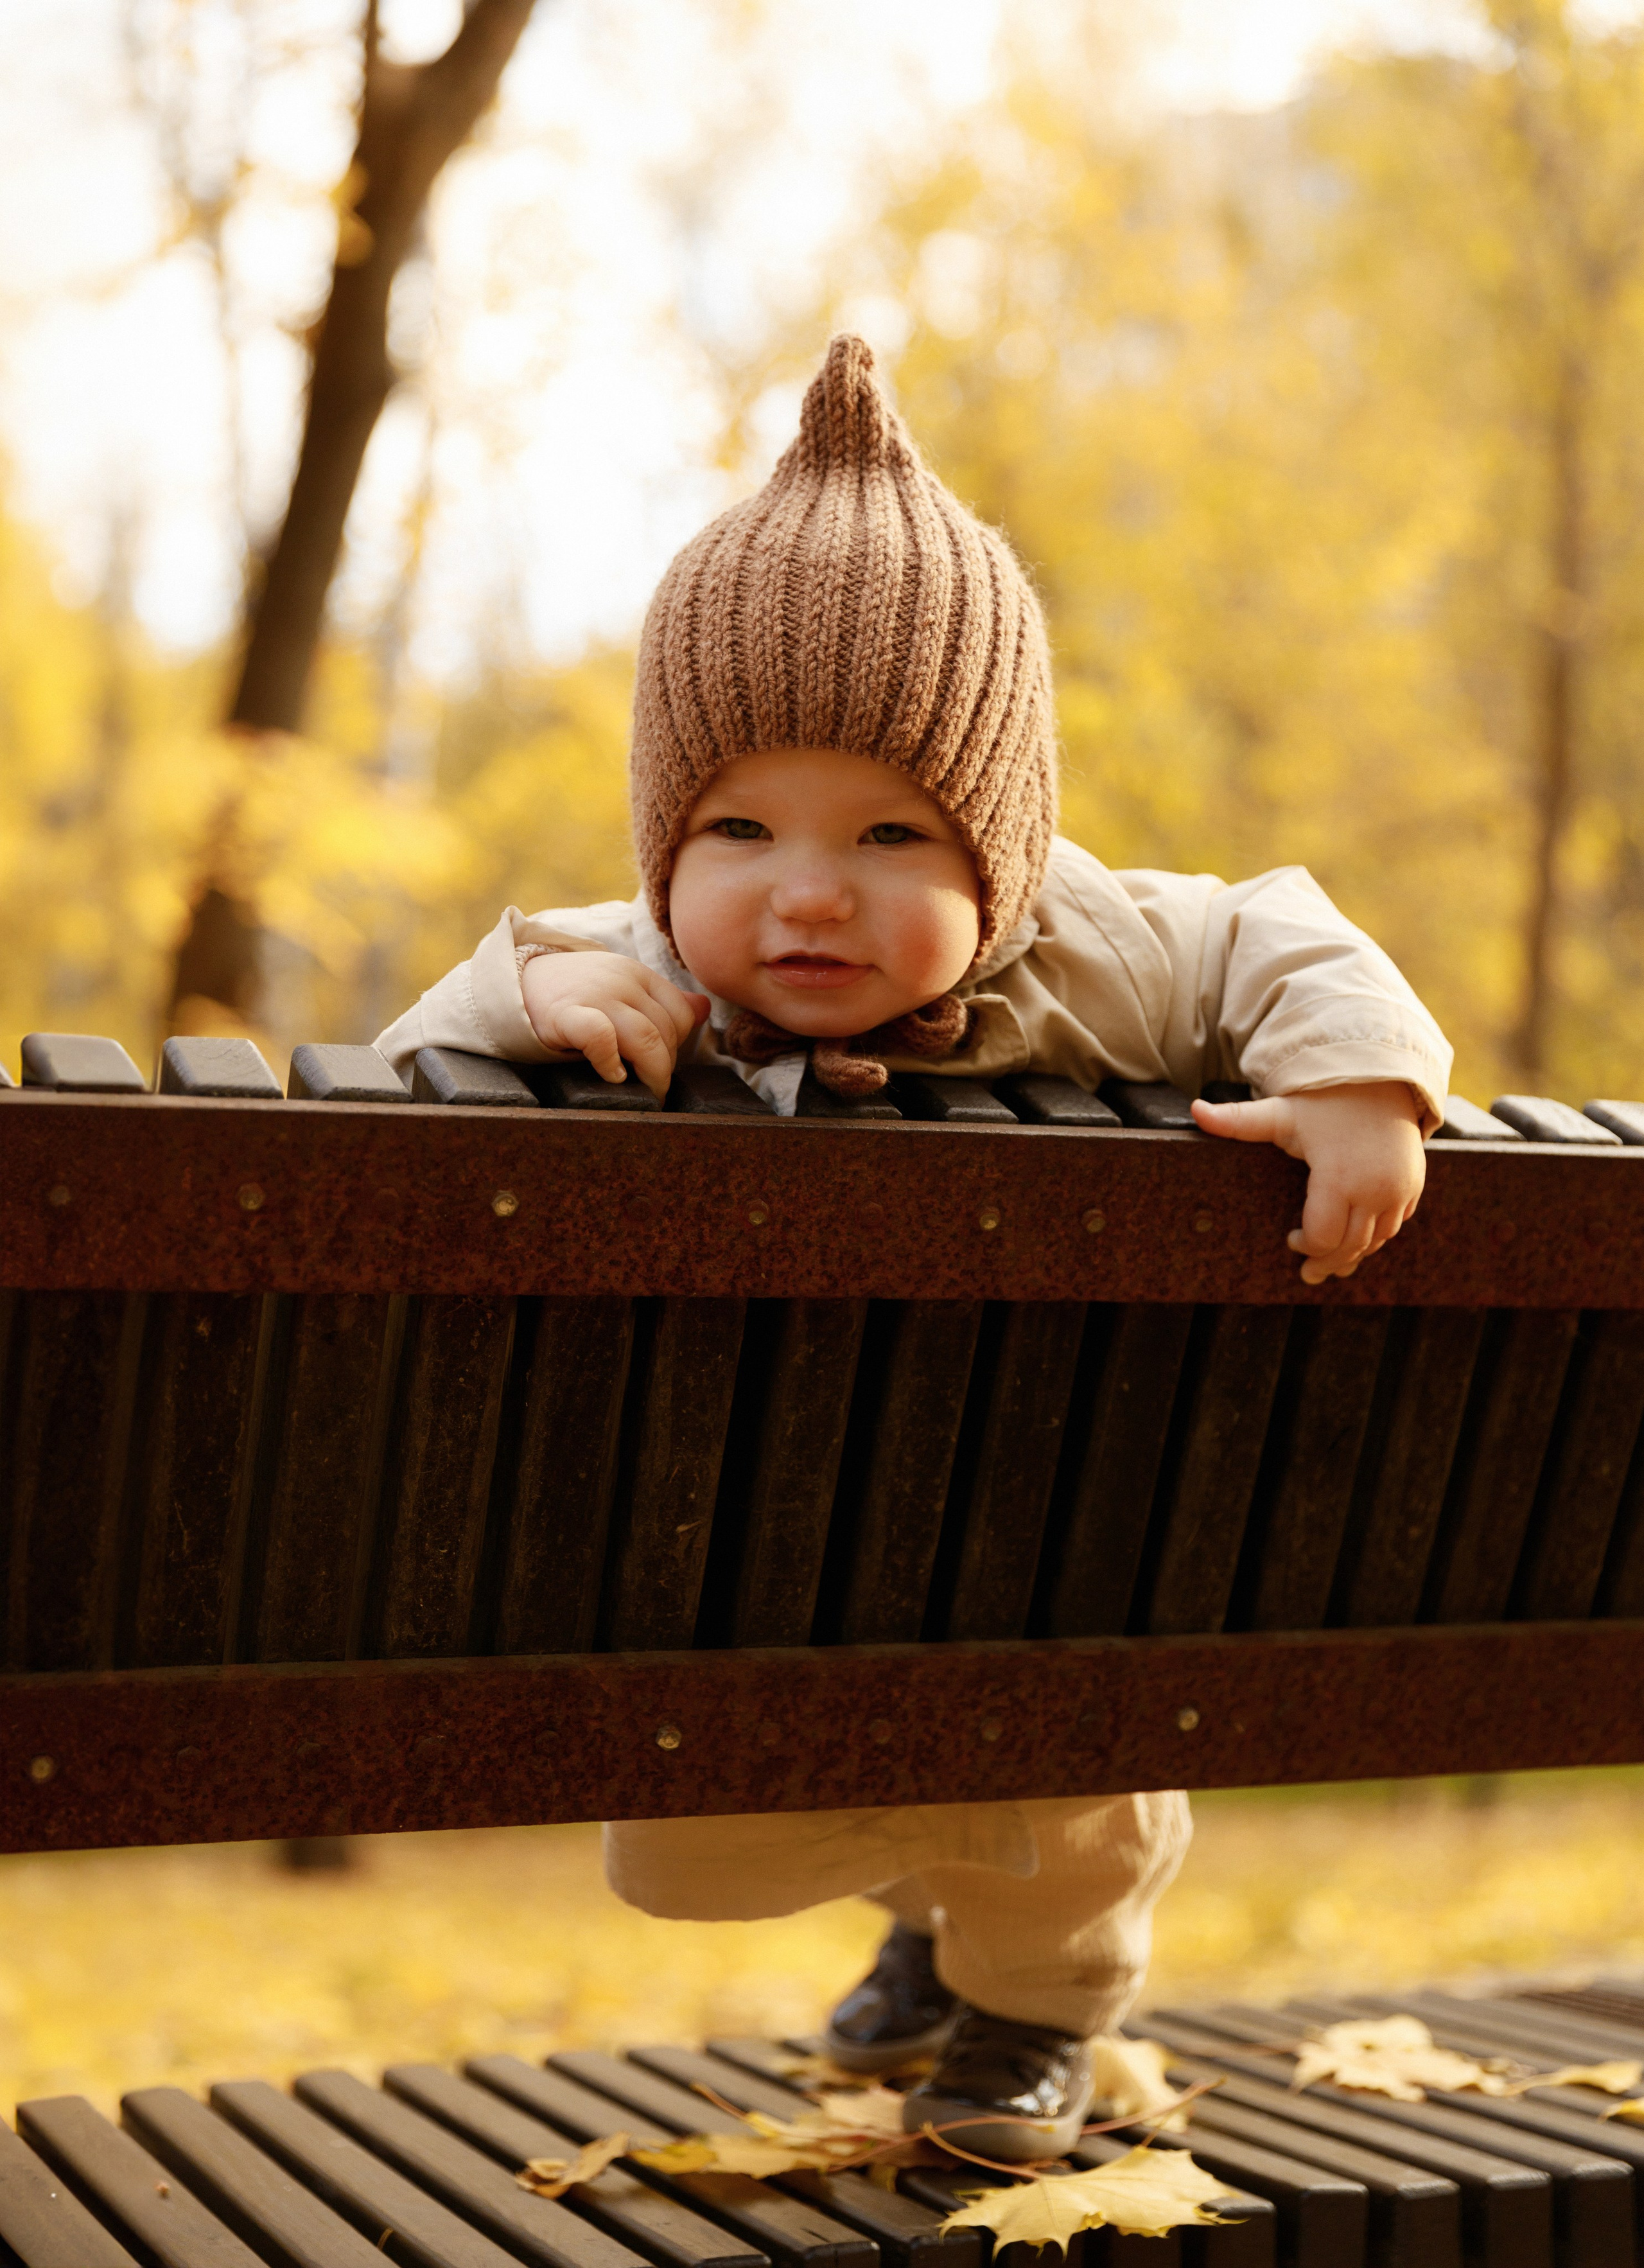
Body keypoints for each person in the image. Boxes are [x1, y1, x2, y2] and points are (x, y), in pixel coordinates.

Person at [376, 333, 1451, 2162]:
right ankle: (930, 1937)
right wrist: (537, 980)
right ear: (658, 851)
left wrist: (1359, 1081)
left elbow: (1281, 930)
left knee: (1061, 1764)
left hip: (1064, 1540)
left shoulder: (1112, 946)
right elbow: (422, 1052)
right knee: (823, 1740)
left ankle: (1029, 2017)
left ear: (1006, 851)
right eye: (738, 827)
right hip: (793, 1540)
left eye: (892, 831)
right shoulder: (625, 969)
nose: (807, 887)